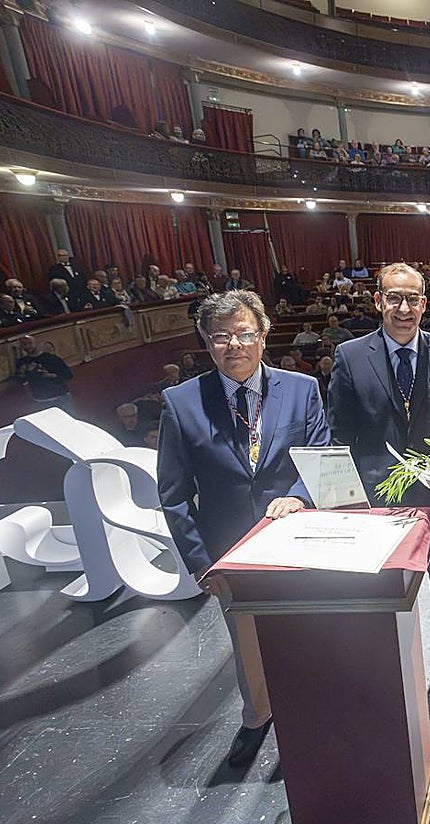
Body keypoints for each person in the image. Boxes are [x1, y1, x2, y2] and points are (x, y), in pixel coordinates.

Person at [157, 290, 331, 767]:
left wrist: (298, 495)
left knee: (307, 634)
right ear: (206, 342)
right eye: (221, 337)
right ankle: (257, 716)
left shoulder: (302, 389)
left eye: (244, 333)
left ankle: (310, 713)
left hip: (295, 541)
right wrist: (201, 565)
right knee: (247, 640)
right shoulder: (181, 402)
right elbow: (173, 494)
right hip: (228, 552)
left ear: (264, 335)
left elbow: (318, 456)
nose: (234, 345)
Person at [327, 262, 430, 695]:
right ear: (378, 301)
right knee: (381, 584)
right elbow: (340, 434)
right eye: (394, 298)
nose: (404, 308)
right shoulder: (351, 356)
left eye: (412, 299)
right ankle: (385, 658)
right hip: (377, 498)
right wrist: (342, 501)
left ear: (424, 304)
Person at [14, 334, 74, 413]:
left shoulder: (51, 358)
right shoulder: (22, 363)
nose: (27, 346)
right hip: (41, 400)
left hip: (60, 397)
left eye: (30, 343)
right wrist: (22, 372)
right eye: (24, 344)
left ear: (36, 343)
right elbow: (22, 382)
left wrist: (50, 375)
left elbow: (68, 375)